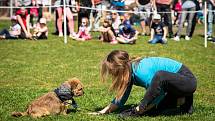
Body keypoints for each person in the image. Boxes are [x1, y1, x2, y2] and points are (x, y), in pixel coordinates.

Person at [89, 50, 197, 116]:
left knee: (159, 77)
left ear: (121, 68)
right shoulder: (129, 72)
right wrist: (102, 112)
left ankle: (183, 99)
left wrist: (140, 109)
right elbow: (120, 99)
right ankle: (184, 103)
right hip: (175, 85)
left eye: (113, 71)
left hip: (187, 81)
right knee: (153, 111)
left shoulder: (141, 71)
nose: (112, 74)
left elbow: (158, 92)